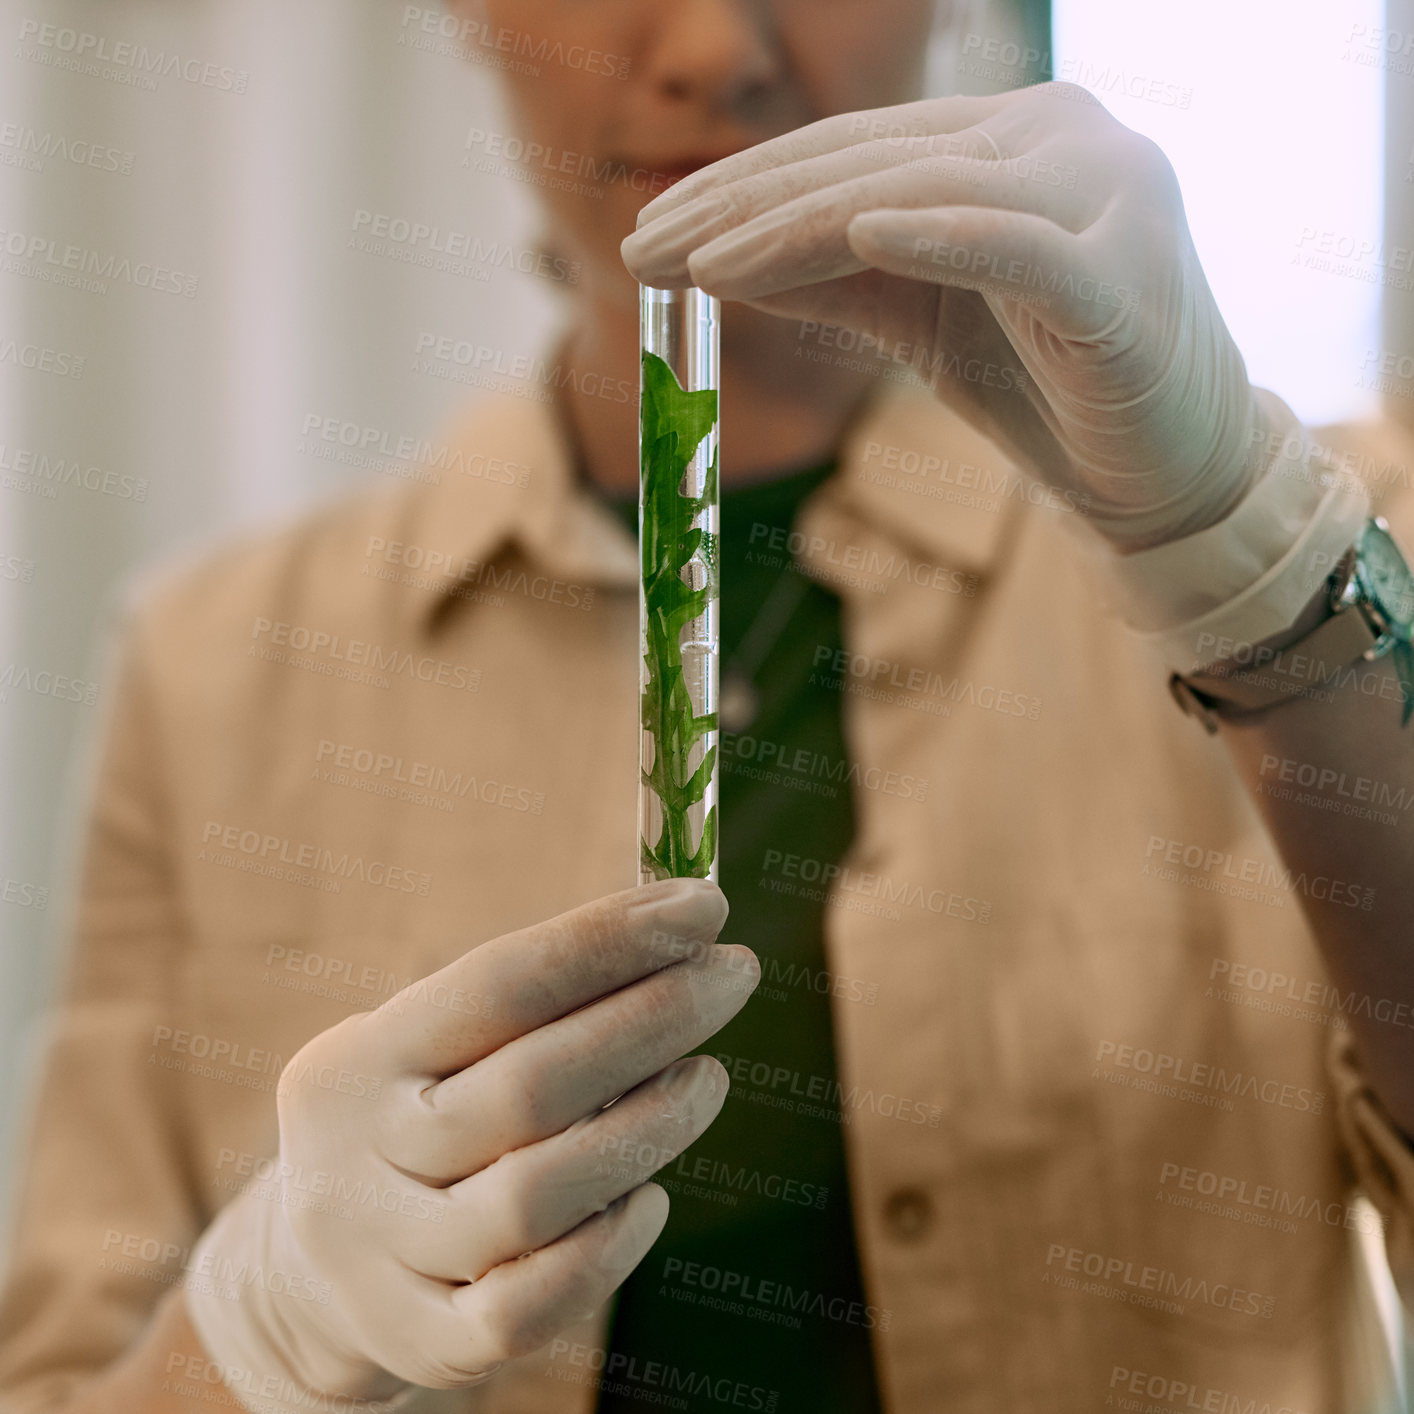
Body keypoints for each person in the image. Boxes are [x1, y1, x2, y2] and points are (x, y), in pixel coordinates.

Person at [2, 1, 1414, 1411]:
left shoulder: (1325, 542)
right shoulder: (214, 674)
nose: (709, 50)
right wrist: (252, 1335)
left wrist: (1260, 583)